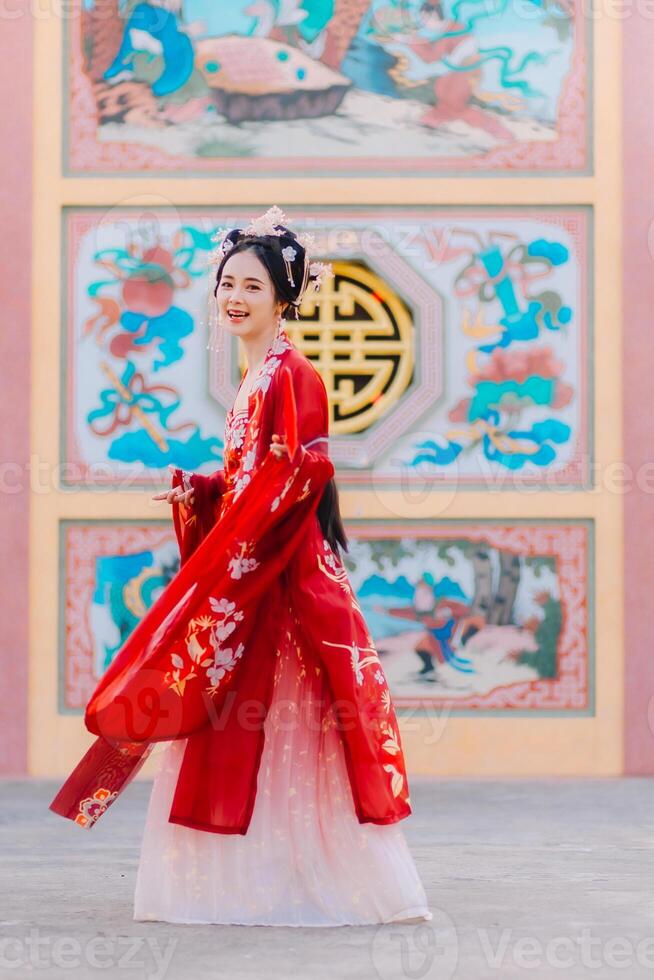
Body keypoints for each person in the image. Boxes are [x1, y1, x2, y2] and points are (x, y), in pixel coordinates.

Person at [50, 206, 431, 927]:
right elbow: (257, 477)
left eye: (253, 286)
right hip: (257, 561)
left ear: (285, 296)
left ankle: (300, 883)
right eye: (228, 283)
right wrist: (202, 492)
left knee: (280, 725)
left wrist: (234, 556)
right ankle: (244, 883)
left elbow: (298, 480)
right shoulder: (257, 379)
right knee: (242, 723)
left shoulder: (295, 375)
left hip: (281, 575)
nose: (236, 297)